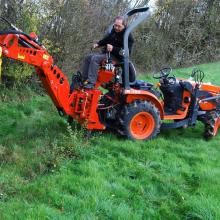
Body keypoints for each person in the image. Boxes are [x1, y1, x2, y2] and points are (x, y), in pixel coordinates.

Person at [81, 16, 134, 89]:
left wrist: (113, 49)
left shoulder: (128, 37)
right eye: (115, 25)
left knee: (95, 58)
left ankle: (91, 82)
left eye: (119, 26)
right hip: (108, 54)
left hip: (118, 58)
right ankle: (84, 79)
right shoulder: (114, 31)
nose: (116, 28)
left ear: (124, 26)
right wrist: (98, 44)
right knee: (88, 57)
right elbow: (107, 39)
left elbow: (127, 53)